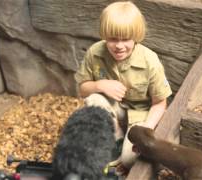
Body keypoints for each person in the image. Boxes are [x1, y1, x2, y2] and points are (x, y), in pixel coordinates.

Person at [74, 1, 172, 177]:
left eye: (125, 39)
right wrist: (99, 85)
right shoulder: (95, 53)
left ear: (136, 36)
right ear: (104, 35)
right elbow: (83, 89)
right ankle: (117, 136)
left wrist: (146, 129)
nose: (119, 46)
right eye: (113, 39)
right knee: (94, 99)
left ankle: (126, 145)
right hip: (115, 109)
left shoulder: (150, 61)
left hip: (140, 114)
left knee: (129, 160)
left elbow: (160, 103)